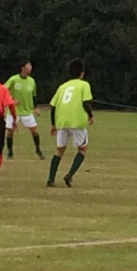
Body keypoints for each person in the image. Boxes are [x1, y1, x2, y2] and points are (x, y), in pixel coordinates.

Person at [46, 59, 94, 188]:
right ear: (82, 73)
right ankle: (69, 175)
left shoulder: (62, 87)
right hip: (77, 121)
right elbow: (86, 102)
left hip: (62, 121)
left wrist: (53, 124)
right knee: (82, 149)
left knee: (59, 150)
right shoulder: (84, 85)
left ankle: (50, 179)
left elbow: (53, 106)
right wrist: (90, 115)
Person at [3, 60, 45, 160]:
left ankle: (38, 150)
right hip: (14, 111)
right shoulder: (13, 79)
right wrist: (11, 100)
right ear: (22, 68)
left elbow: (34, 96)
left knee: (34, 131)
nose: (30, 68)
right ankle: (10, 152)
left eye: (30, 66)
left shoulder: (32, 81)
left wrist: (36, 107)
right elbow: (3, 90)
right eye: (28, 66)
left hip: (27, 111)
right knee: (10, 132)